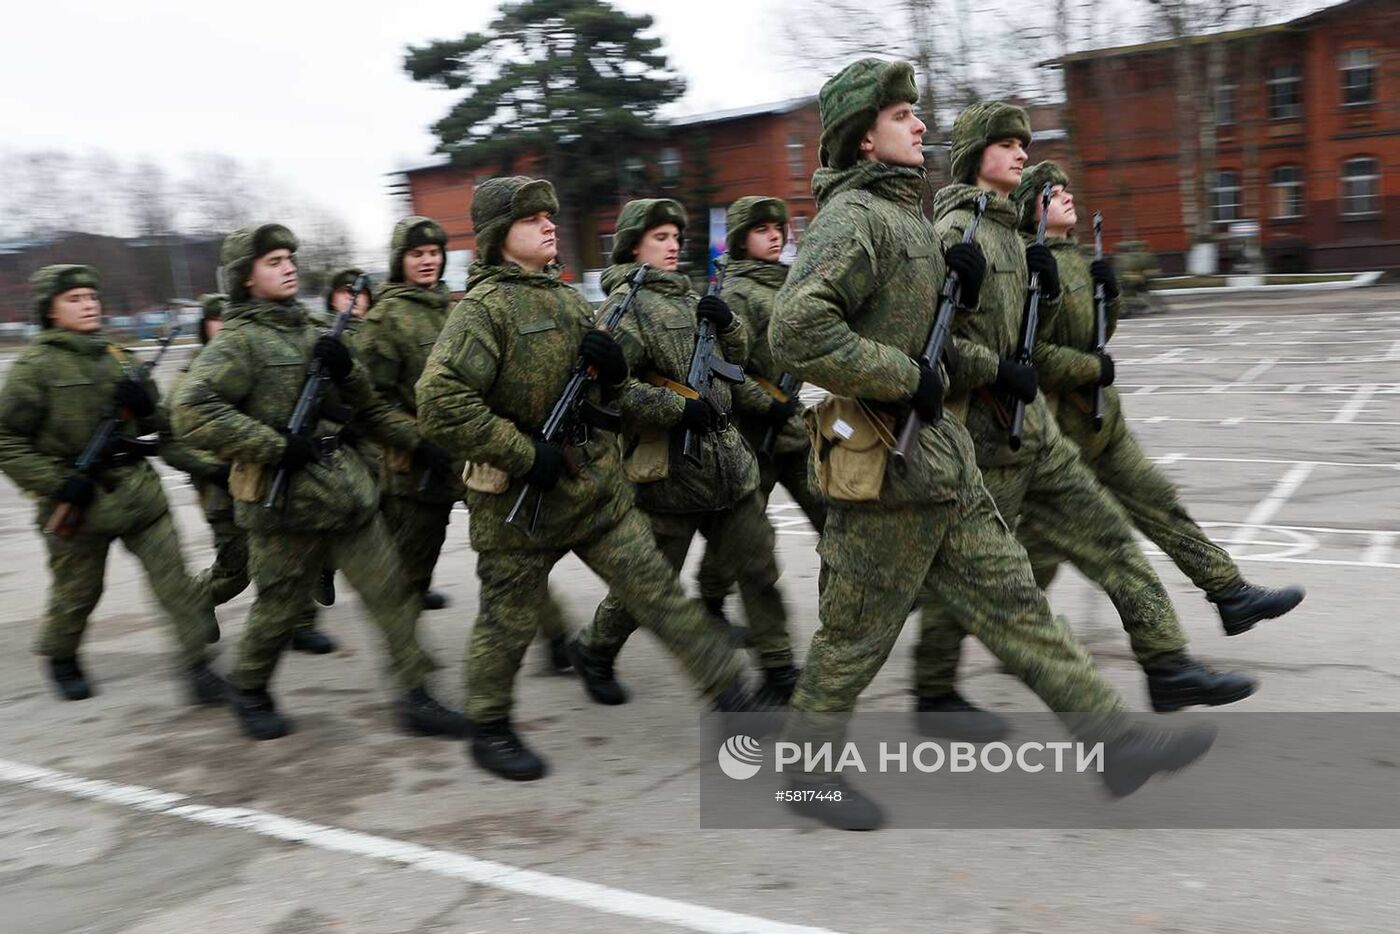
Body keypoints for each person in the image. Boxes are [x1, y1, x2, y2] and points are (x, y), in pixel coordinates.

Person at [769, 59, 1213, 830]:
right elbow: (797, 330)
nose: (919, 123)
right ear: (862, 139)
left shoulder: (903, 217)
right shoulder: (853, 220)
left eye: (916, 111)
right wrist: (904, 374)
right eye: (901, 114)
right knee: (854, 637)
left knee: (1018, 607)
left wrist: (960, 298)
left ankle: (1113, 743)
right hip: (885, 466)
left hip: (942, 463)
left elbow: (931, 339)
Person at [911, 103, 1257, 724]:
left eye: (1024, 142)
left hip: (1039, 437)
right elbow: (929, 347)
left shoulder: (1017, 240)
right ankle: (933, 689)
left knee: (1113, 539)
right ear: (974, 156)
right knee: (969, 579)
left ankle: (1167, 664)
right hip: (983, 444)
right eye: (1007, 144)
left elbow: (1031, 334)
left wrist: (1050, 292)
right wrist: (997, 368)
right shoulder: (952, 236)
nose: (1022, 152)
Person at [416, 176, 754, 780]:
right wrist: (523, 453)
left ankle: (732, 695)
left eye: (550, 215)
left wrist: (623, 377)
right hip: (518, 499)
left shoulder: (570, 300)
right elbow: (440, 403)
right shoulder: (482, 311)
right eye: (532, 219)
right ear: (499, 238)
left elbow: (611, 395)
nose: (549, 225)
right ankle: (489, 726)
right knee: (507, 620)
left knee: (657, 590)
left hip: (593, 488)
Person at [173, 223, 468, 742]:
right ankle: (248, 685)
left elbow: (365, 406)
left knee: (393, 593)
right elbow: (190, 411)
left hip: (345, 494)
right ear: (245, 278)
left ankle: (415, 695)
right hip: (284, 507)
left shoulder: (312, 332)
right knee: (278, 610)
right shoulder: (238, 343)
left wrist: (415, 439)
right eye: (273, 261)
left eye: (289, 257)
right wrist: (273, 445)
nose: (287, 266)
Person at [1008, 162, 1304, 669]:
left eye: (1068, 190)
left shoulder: (1079, 257)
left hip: (1105, 423)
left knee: (1161, 504)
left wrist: (1112, 295)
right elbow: (1028, 354)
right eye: (1054, 193)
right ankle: (1011, 632)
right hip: (1060, 434)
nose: (1068, 198)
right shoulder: (1026, 264)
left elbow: (1100, 337)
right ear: (1032, 207)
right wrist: (1089, 366)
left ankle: (1230, 593)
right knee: (1040, 553)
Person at [568, 197, 800, 704]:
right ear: (633, 246)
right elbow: (609, 392)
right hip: (669, 479)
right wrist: (675, 408)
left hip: (727, 468)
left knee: (759, 568)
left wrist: (730, 327)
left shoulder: (691, 298)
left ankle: (779, 667)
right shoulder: (623, 309)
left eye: (676, 237)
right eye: (661, 238)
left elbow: (731, 368)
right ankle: (595, 649)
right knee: (647, 590)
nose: (674, 246)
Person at [0, 265, 223, 705]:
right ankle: (61, 655)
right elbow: (6, 440)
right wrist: (58, 485)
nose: (88, 305)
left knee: (174, 583)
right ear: (50, 310)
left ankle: (198, 667)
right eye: (75, 299)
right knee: (78, 593)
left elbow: (160, 428)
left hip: (138, 492)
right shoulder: (34, 369)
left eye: (91, 296)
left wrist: (147, 408)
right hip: (78, 501)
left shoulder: (120, 358)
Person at [694, 196, 826, 635]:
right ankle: (710, 596)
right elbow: (725, 368)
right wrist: (764, 402)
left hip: (790, 425)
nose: (775, 236)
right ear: (740, 239)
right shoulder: (734, 294)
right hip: (752, 433)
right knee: (744, 528)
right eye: (762, 230)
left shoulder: (791, 284)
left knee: (830, 510)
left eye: (778, 228)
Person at [357, 218, 462, 611]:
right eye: (416, 254)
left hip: (467, 451)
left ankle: (554, 634)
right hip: (418, 465)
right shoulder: (385, 320)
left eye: (434, 253)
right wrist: (417, 440)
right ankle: (407, 657)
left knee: (512, 551)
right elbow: (369, 404)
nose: (427, 261)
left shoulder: (452, 308)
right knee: (412, 568)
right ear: (400, 260)